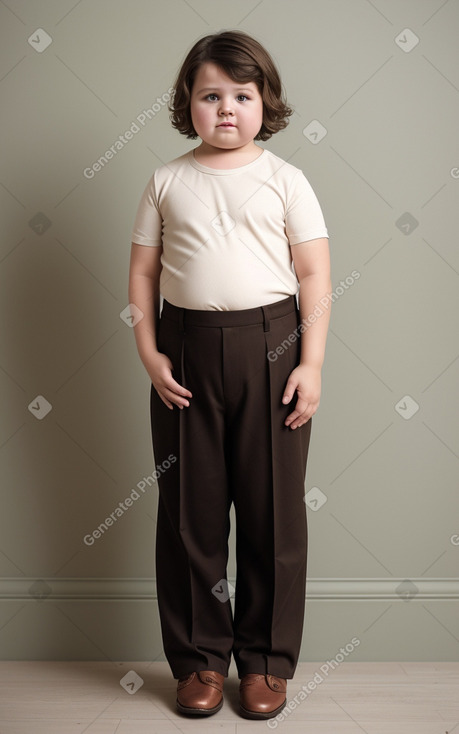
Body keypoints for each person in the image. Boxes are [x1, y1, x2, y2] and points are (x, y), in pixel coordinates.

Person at [128, 29, 331, 720]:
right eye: (209, 95)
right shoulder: (166, 181)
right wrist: (150, 354)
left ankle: (265, 665)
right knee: (191, 516)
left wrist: (310, 362)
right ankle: (198, 663)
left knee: (273, 515)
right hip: (184, 351)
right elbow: (143, 274)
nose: (225, 109)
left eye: (240, 96)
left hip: (272, 349)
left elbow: (314, 275)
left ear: (262, 102)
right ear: (187, 103)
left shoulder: (285, 181)